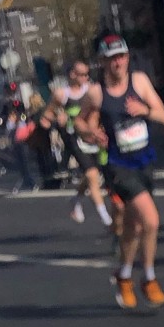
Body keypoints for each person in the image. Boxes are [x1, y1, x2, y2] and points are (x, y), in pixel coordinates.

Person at [77, 32, 164, 311]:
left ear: (128, 58)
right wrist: (91, 133)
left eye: (121, 57)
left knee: (133, 227)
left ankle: (124, 275)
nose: (117, 63)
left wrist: (144, 110)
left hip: (144, 161)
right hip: (118, 166)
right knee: (151, 221)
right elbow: (79, 123)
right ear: (102, 62)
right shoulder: (96, 93)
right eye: (111, 59)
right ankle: (149, 279)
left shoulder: (139, 81)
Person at [52, 57, 112, 226]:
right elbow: (50, 112)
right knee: (92, 175)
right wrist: (58, 117)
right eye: (82, 74)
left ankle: (76, 199)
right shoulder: (62, 94)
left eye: (87, 74)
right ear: (72, 74)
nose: (86, 77)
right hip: (74, 139)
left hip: (94, 137)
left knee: (93, 175)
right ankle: (106, 218)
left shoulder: (92, 90)